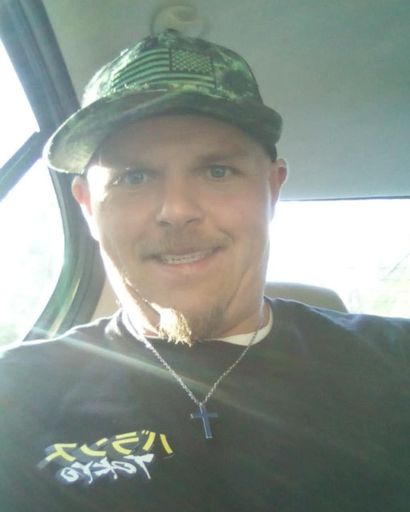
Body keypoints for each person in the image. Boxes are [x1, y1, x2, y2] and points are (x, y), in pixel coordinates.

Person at [1, 29, 409, 512]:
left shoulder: (397, 363)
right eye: (134, 176)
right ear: (88, 206)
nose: (177, 210)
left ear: (272, 190)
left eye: (217, 171)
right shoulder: (15, 395)